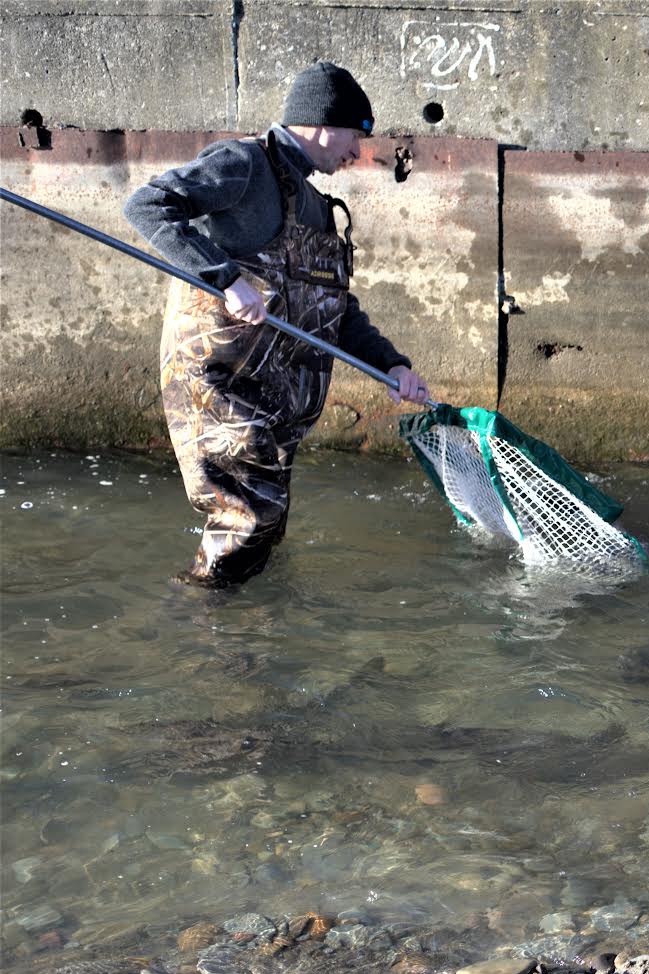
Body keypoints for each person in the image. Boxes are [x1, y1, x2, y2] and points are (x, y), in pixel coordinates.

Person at [124, 61, 430, 588]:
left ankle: (249, 629)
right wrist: (223, 278)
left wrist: (393, 364)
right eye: (355, 136)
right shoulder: (243, 163)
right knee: (249, 517)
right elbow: (148, 205)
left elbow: (338, 308)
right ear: (320, 123)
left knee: (269, 524)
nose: (357, 152)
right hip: (219, 382)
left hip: (275, 397)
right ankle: (206, 629)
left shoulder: (314, 204)